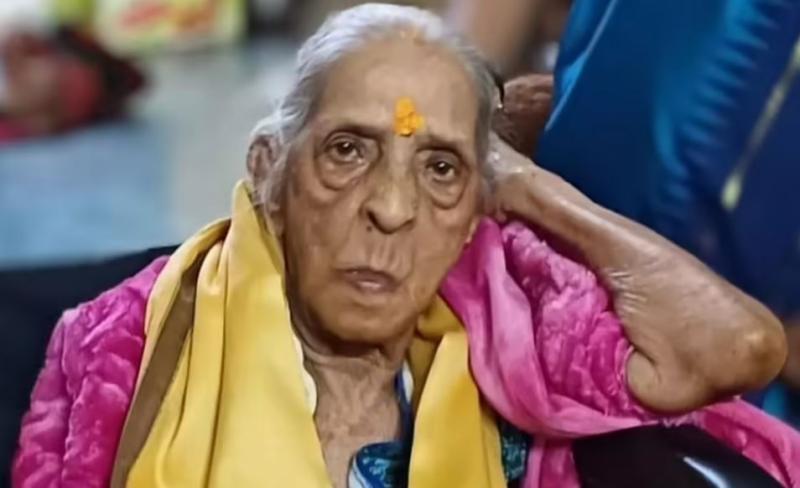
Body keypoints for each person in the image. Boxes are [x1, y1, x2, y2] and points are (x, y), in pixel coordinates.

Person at [12, 4, 800, 487]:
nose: (391, 209)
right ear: (268, 170)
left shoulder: (509, 337)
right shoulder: (123, 343)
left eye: (440, 169)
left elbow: (741, 346)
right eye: (347, 151)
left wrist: (526, 185)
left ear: (476, 206)